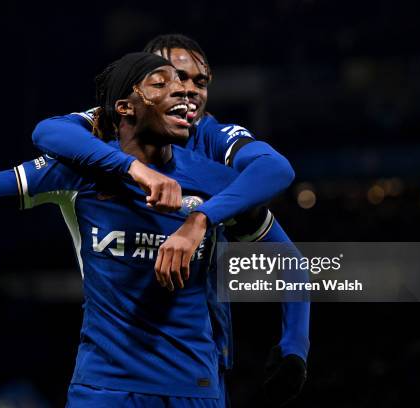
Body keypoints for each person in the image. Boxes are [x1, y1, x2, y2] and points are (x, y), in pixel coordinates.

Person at [0, 52, 266, 407]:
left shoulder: (216, 179)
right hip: (106, 388)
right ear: (125, 108)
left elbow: (287, 256)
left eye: (185, 84)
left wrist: (293, 348)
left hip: (194, 387)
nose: (182, 92)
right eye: (162, 84)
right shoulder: (75, 171)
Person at [30, 34, 310, 405]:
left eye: (200, 81)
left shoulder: (210, 139)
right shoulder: (111, 126)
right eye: (175, 78)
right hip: (113, 367)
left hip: (197, 365)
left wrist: (201, 219)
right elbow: (47, 131)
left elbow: (275, 172)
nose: (188, 89)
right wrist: (134, 169)